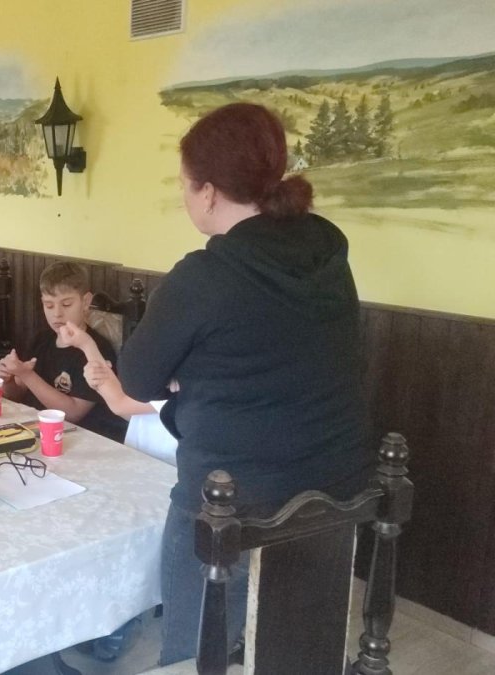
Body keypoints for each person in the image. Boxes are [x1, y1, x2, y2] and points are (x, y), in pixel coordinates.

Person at [116, 102, 372, 665]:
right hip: (337, 483)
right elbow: (288, 348)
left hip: (235, 495)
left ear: (208, 192)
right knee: (296, 644)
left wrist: (187, 372)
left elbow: (136, 377)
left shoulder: (204, 275)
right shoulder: (328, 247)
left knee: (193, 647)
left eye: (184, 185)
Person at [0, 262, 127, 441]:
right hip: (32, 428)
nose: (57, 313)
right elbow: (17, 393)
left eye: (66, 304)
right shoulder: (41, 339)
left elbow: (73, 413)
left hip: (75, 437)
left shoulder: (96, 350)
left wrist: (27, 375)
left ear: (85, 302)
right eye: (49, 305)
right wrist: (9, 379)